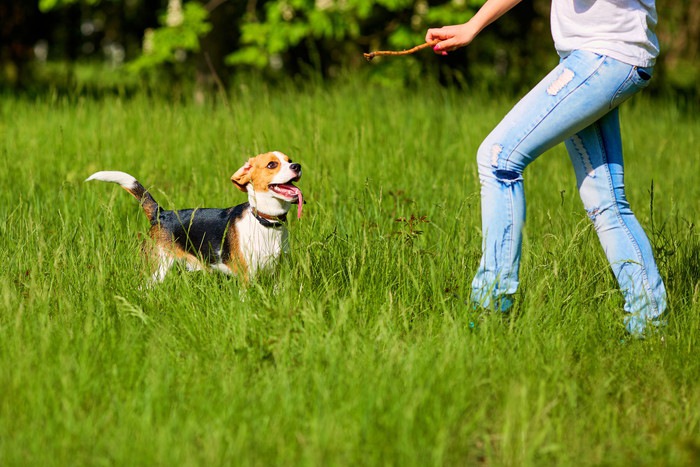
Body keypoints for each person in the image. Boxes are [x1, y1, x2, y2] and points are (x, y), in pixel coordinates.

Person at [426, 0, 667, 336]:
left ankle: (491, 309)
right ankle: (649, 326)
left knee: (499, 158)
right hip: (594, 55)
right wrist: (473, 25)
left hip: (605, 54)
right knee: (606, 201)